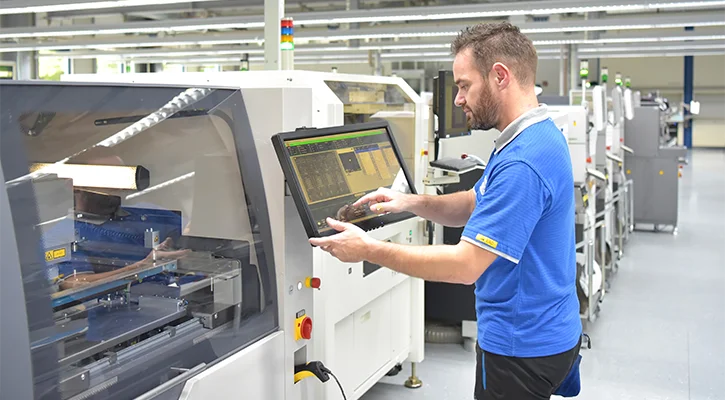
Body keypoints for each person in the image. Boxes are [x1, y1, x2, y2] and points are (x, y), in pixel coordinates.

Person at [309, 22, 582, 399]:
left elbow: (465, 265)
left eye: (464, 85)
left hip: (521, 347)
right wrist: (411, 203)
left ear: (500, 76)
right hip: (552, 329)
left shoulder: (524, 161)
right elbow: (473, 203)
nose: (457, 99)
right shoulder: (533, 135)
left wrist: (368, 250)